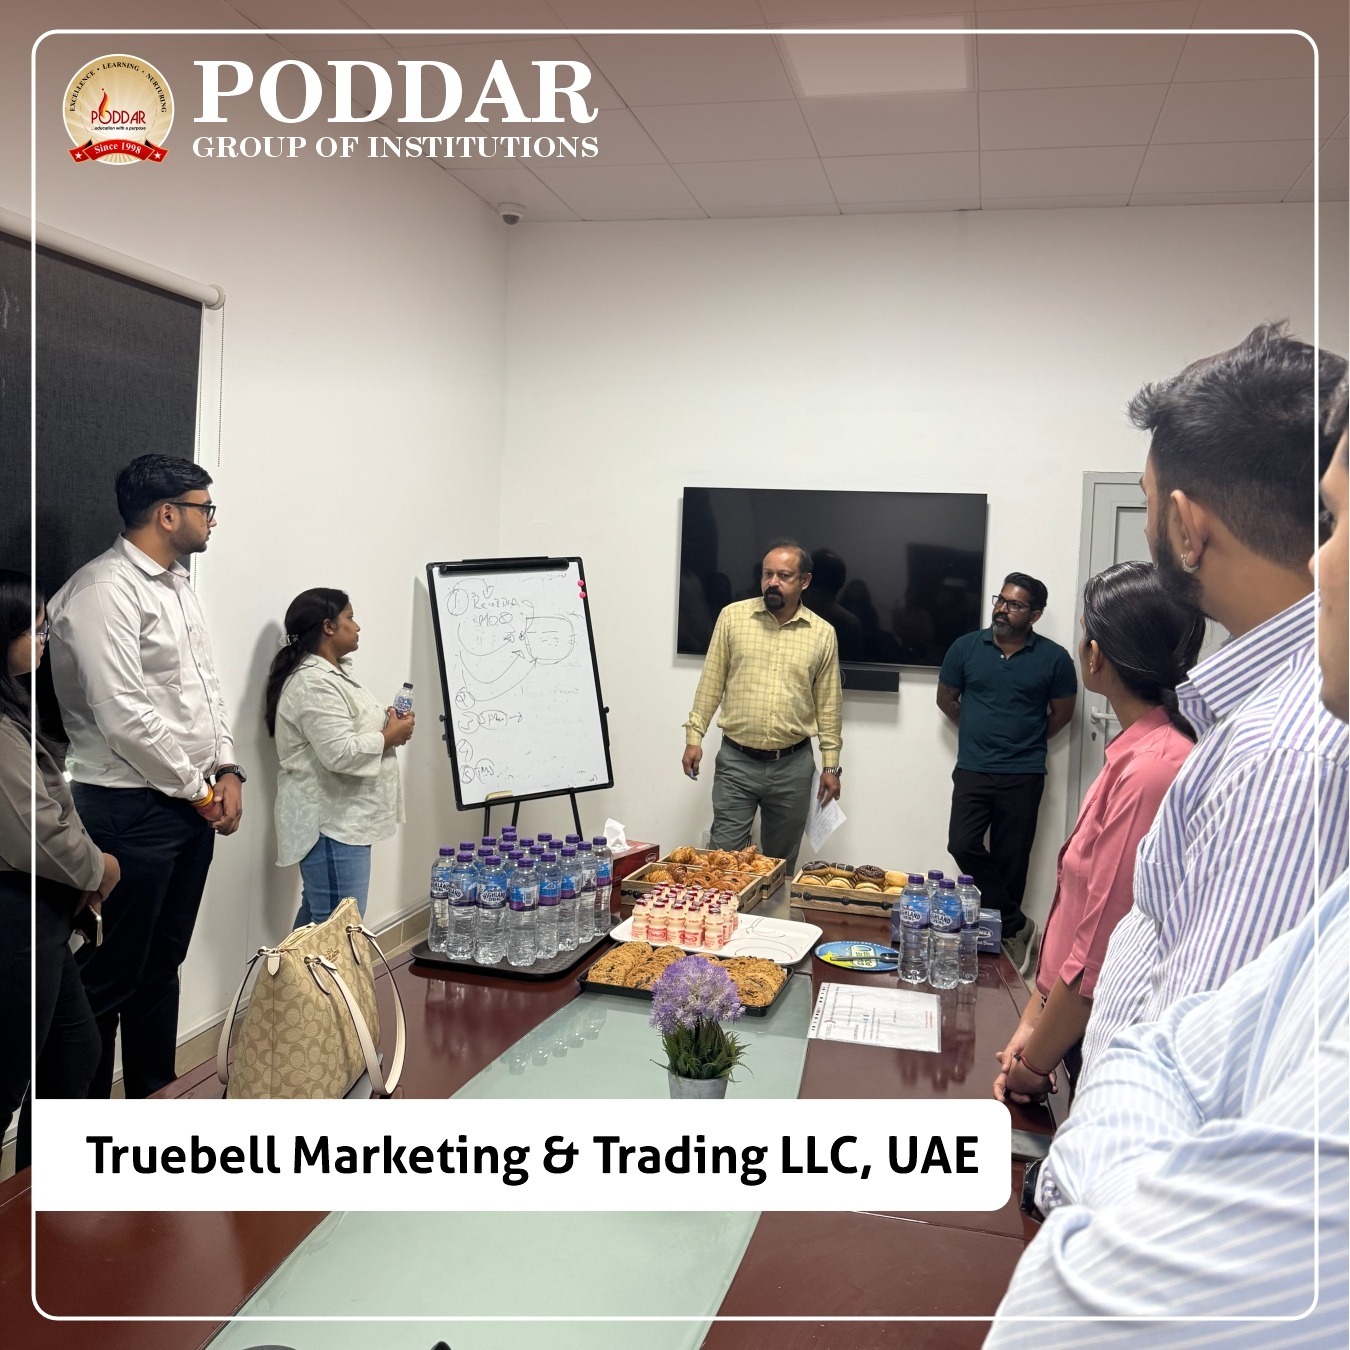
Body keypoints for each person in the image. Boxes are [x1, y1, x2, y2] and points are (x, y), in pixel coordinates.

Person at [984, 377, 1349, 1346]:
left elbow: (1199, 1118)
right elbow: (1174, 1049)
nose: (1323, 556)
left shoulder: (1288, 749)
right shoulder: (1248, 722)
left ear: (1186, 526)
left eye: (1342, 522)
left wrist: (1087, 1189)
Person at [1080, 323, 1349, 1078]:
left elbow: (1199, 1083)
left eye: (1148, 503)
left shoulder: (1287, 754)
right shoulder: (1265, 711)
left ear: (1186, 526)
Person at [46, 454, 243, 1099]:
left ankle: (155, 1103)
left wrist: (227, 767)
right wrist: (201, 788)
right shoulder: (102, 591)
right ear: (167, 514)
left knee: (162, 965)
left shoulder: (177, 585)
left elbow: (206, 690)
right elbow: (124, 716)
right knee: (108, 976)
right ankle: (81, 1132)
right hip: (125, 810)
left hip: (186, 803)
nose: (212, 520)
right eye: (205, 508)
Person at [993, 562, 1204, 1107]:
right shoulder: (1134, 751)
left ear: (1096, 655)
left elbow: (1097, 955)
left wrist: (1032, 1066)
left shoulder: (1153, 769)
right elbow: (1078, 913)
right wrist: (1032, 1022)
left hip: (1099, 1038)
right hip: (1063, 1022)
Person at [0, 571, 116, 1167]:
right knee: (8, 1077)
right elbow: (36, 830)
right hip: (15, 913)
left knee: (74, 1047)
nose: (43, 640)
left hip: (40, 910)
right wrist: (98, 868)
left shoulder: (13, 709)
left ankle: (39, 1193)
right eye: (34, 629)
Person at [937, 572, 1078, 973]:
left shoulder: (1054, 658)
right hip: (973, 768)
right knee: (962, 844)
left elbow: (1062, 713)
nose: (1001, 609)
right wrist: (978, 731)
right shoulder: (966, 647)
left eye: (1014, 605)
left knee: (1012, 859)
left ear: (1034, 615)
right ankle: (1017, 923)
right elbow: (947, 699)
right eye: (1000, 600)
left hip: (1024, 772)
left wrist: (1023, 739)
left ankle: (1005, 938)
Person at [682, 542, 842, 876]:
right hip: (736, 762)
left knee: (778, 868)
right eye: (767, 574)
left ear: (805, 581)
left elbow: (828, 705)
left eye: (784, 576)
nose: (773, 582)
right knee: (722, 862)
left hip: (792, 768)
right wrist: (694, 736)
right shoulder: (733, 618)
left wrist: (831, 766)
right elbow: (711, 682)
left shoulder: (822, 634)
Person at [265, 588, 414, 925]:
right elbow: (340, 753)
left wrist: (389, 725)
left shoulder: (334, 674)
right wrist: (390, 736)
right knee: (337, 930)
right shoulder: (313, 683)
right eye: (350, 617)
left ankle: (294, 967)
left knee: (320, 926)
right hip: (331, 827)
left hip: (343, 822)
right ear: (328, 626)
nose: (357, 626)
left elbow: (346, 732)